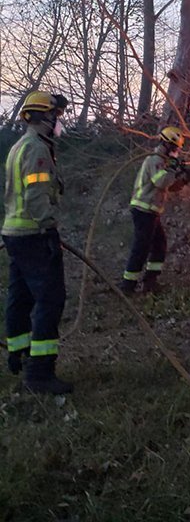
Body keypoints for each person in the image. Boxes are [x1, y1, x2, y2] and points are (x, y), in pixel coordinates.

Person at [2, 90, 72, 395]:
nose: (58, 122)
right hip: (34, 233)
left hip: (15, 232)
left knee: (21, 296)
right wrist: (48, 227)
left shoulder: (20, 146)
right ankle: (40, 373)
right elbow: (35, 195)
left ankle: (18, 352)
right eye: (56, 116)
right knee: (50, 298)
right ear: (45, 117)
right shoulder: (37, 150)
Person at [121, 126, 190, 295]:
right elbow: (161, 182)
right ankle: (128, 286)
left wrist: (184, 178)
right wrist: (173, 168)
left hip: (151, 212)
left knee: (159, 245)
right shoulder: (154, 160)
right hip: (143, 209)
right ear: (167, 144)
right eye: (175, 147)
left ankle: (150, 282)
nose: (177, 151)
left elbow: (170, 186)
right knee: (142, 247)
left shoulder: (164, 162)